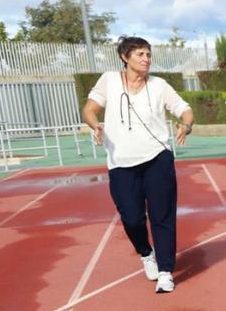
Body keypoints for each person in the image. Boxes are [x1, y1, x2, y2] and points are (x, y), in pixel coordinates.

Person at [82, 36, 195, 293]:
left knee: (162, 216)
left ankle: (166, 271)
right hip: (121, 163)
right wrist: (94, 124)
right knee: (131, 218)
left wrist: (186, 125)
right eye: (140, 55)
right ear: (125, 57)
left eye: (148, 54)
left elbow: (184, 109)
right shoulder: (109, 80)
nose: (146, 59)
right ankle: (146, 253)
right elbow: (89, 109)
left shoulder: (159, 85)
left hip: (157, 157)